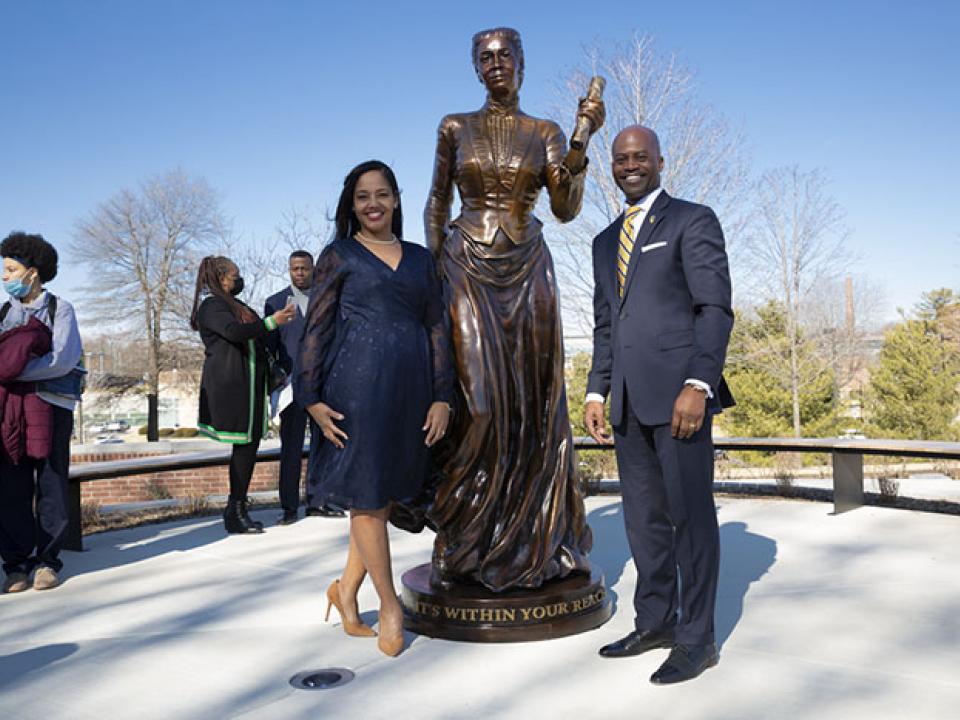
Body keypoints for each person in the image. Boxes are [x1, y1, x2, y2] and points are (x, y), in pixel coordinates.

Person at [423, 27, 605, 591]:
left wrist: (582, 139)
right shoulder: (455, 126)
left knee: (532, 405)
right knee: (478, 403)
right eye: (486, 57)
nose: (496, 63)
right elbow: (437, 201)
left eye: (505, 55)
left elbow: (565, 207)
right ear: (476, 68)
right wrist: (432, 271)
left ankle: (532, 539)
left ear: (522, 63)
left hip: (528, 269)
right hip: (465, 266)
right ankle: (465, 535)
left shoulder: (544, 131)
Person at [585, 125, 735, 684]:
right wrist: (597, 389)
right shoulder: (605, 242)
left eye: (639, 157)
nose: (630, 166)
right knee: (643, 521)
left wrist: (698, 384)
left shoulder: (693, 221)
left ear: (660, 162)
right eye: (621, 158)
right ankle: (654, 622)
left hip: (680, 400)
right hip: (627, 401)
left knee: (690, 520)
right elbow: (606, 323)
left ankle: (697, 639)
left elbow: (714, 308)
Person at [294, 160, 453, 657]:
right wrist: (311, 398)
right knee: (366, 498)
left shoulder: (421, 259)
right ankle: (387, 605)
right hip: (354, 395)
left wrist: (443, 395)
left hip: (411, 393)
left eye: (382, 194)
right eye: (363, 196)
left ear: (396, 199)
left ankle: (344, 591)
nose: (373, 204)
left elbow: (437, 328)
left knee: (380, 499)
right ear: (352, 204)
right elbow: (316, 329)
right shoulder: (339, 255)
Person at [0, 231, 84, 593]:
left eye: (10, 270)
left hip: (53, 405)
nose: (5, 277)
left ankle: (48, 561)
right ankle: (16, 564)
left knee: (51, 482)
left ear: (32, 272)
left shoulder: (60, 309)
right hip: (10, 410)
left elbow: (62, 359)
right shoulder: (4, 313)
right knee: (11, 485)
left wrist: (12, 370)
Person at [191, 256, 296, 534]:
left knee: (249, 447)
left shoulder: (234, 304)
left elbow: (254, 332)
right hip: (232, 387)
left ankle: (237, 508)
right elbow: (234, 332)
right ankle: (235, 510)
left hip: (251, 386)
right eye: (235, 275)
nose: (239, 280)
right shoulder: (211, 306)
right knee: (244, 446)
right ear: (221, 278)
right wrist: (272, 322)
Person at [264, 251, 345, 524]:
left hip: (324, 386)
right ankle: (289, 507)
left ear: (313, 269)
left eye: (304, 268)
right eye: (294, 268)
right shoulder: (275, 302)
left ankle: (318, 501)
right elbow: (270, 348)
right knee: (291, 449)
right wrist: (277, 380)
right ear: (289, 270)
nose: (299, 273)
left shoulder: (328, 299)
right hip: (292, 389)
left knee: (323, 446)